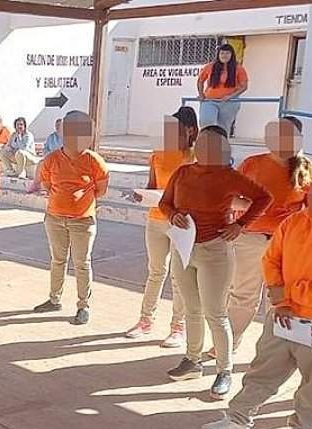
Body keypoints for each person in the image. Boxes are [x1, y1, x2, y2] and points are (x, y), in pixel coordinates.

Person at [202, 163, 312, 429]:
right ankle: (238, 419)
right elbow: (271, 258)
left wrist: (288, 293)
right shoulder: (294, 223)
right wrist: (279, 296)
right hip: (282, 315)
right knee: (263, 369)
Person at [159, 125, 272, 399]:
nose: (205, 149)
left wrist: (241, 225)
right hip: (184, 249)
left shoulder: (229, 176)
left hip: (215, 250)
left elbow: (263, 198)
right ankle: (192, 360)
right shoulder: (184, 172)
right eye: (202, 143)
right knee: (191, 309)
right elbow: (165, 203)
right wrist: (172, 215)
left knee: (215, 313)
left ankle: (224, 370)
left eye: (213, 145)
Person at [221, 117, 312, 354]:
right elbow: (229, 197)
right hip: (249, 239)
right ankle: (228, 345)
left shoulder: (308, 170)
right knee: (242, 295)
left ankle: (272, 350)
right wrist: (249, 206)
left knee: (278, 299)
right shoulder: (252, 164)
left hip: (285, 246)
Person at [126, 107, 198, 347]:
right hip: (156, 218)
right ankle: (145, 320)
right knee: (156, 272)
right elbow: (152, 185)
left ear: (190, 131)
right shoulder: (157, 155)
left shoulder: (195, 157)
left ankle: (178, 327)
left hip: (181, 222)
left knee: (180, 277)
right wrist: (141, 195)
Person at [33, 111, 110, 326]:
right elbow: (48, 185)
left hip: (82, 221)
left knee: (82, 263)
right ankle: (54, 298)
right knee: (58, 260)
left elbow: (101, 189)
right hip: (55, 218)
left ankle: (83, 305)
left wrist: (80, 201)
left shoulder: (94, 161)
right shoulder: (51, 160)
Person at [197, 43, 249, 134]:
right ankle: (205, 142)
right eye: (222, 53)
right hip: (210, 100)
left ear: (232, 55)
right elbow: (200, 81)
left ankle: (221, 145)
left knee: (223, 127)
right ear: (218, 55)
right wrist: (201, 94)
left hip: (229, 102)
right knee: (206, 121)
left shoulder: (238, 68)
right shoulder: (210, 67)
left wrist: (230, 96)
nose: (224, 55)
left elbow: (244, 86)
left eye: (227, 53)